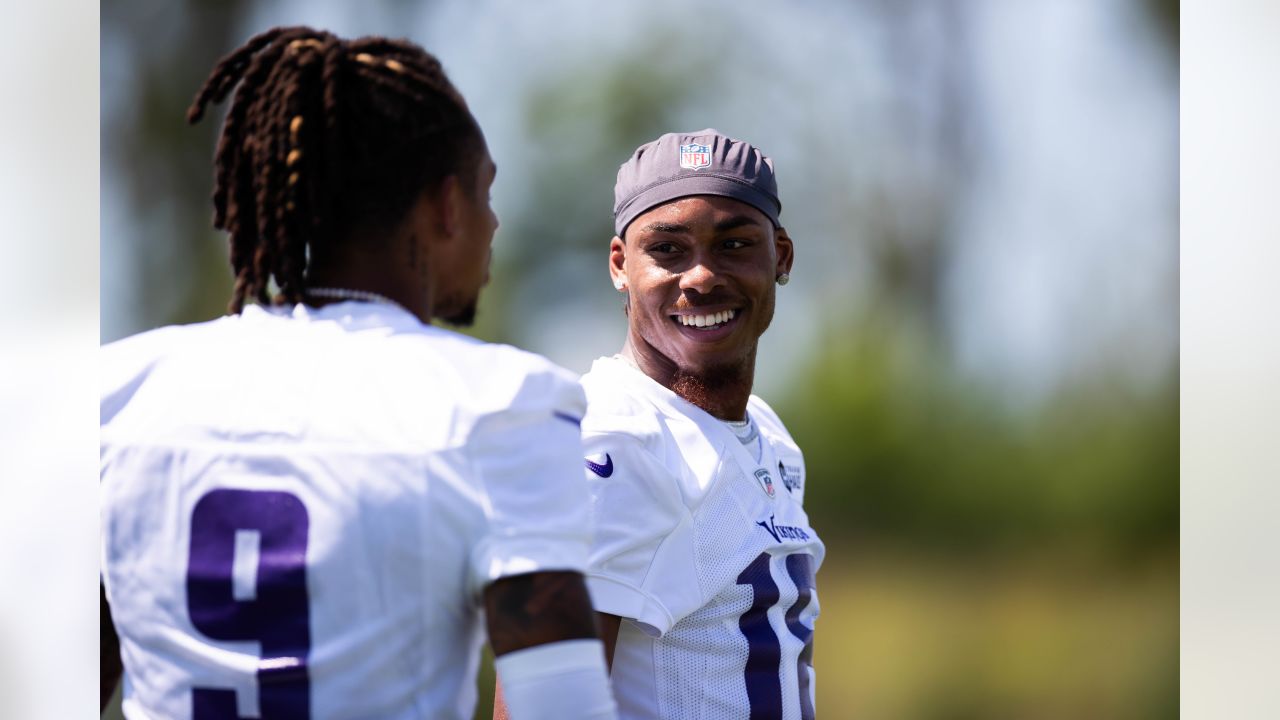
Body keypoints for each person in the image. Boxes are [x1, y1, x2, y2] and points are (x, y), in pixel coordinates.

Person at [100, 26, 616, 720]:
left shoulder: (121, 389)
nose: (494, 223)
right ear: (446, 206)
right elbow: (562, 709)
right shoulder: (498, 404)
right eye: (485, 191)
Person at [584, 130, 824, 719]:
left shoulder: (769, 435)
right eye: (666, 250)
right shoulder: (614, 437)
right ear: (621, 265)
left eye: (734, 244)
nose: (700, 277)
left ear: (782, 257)